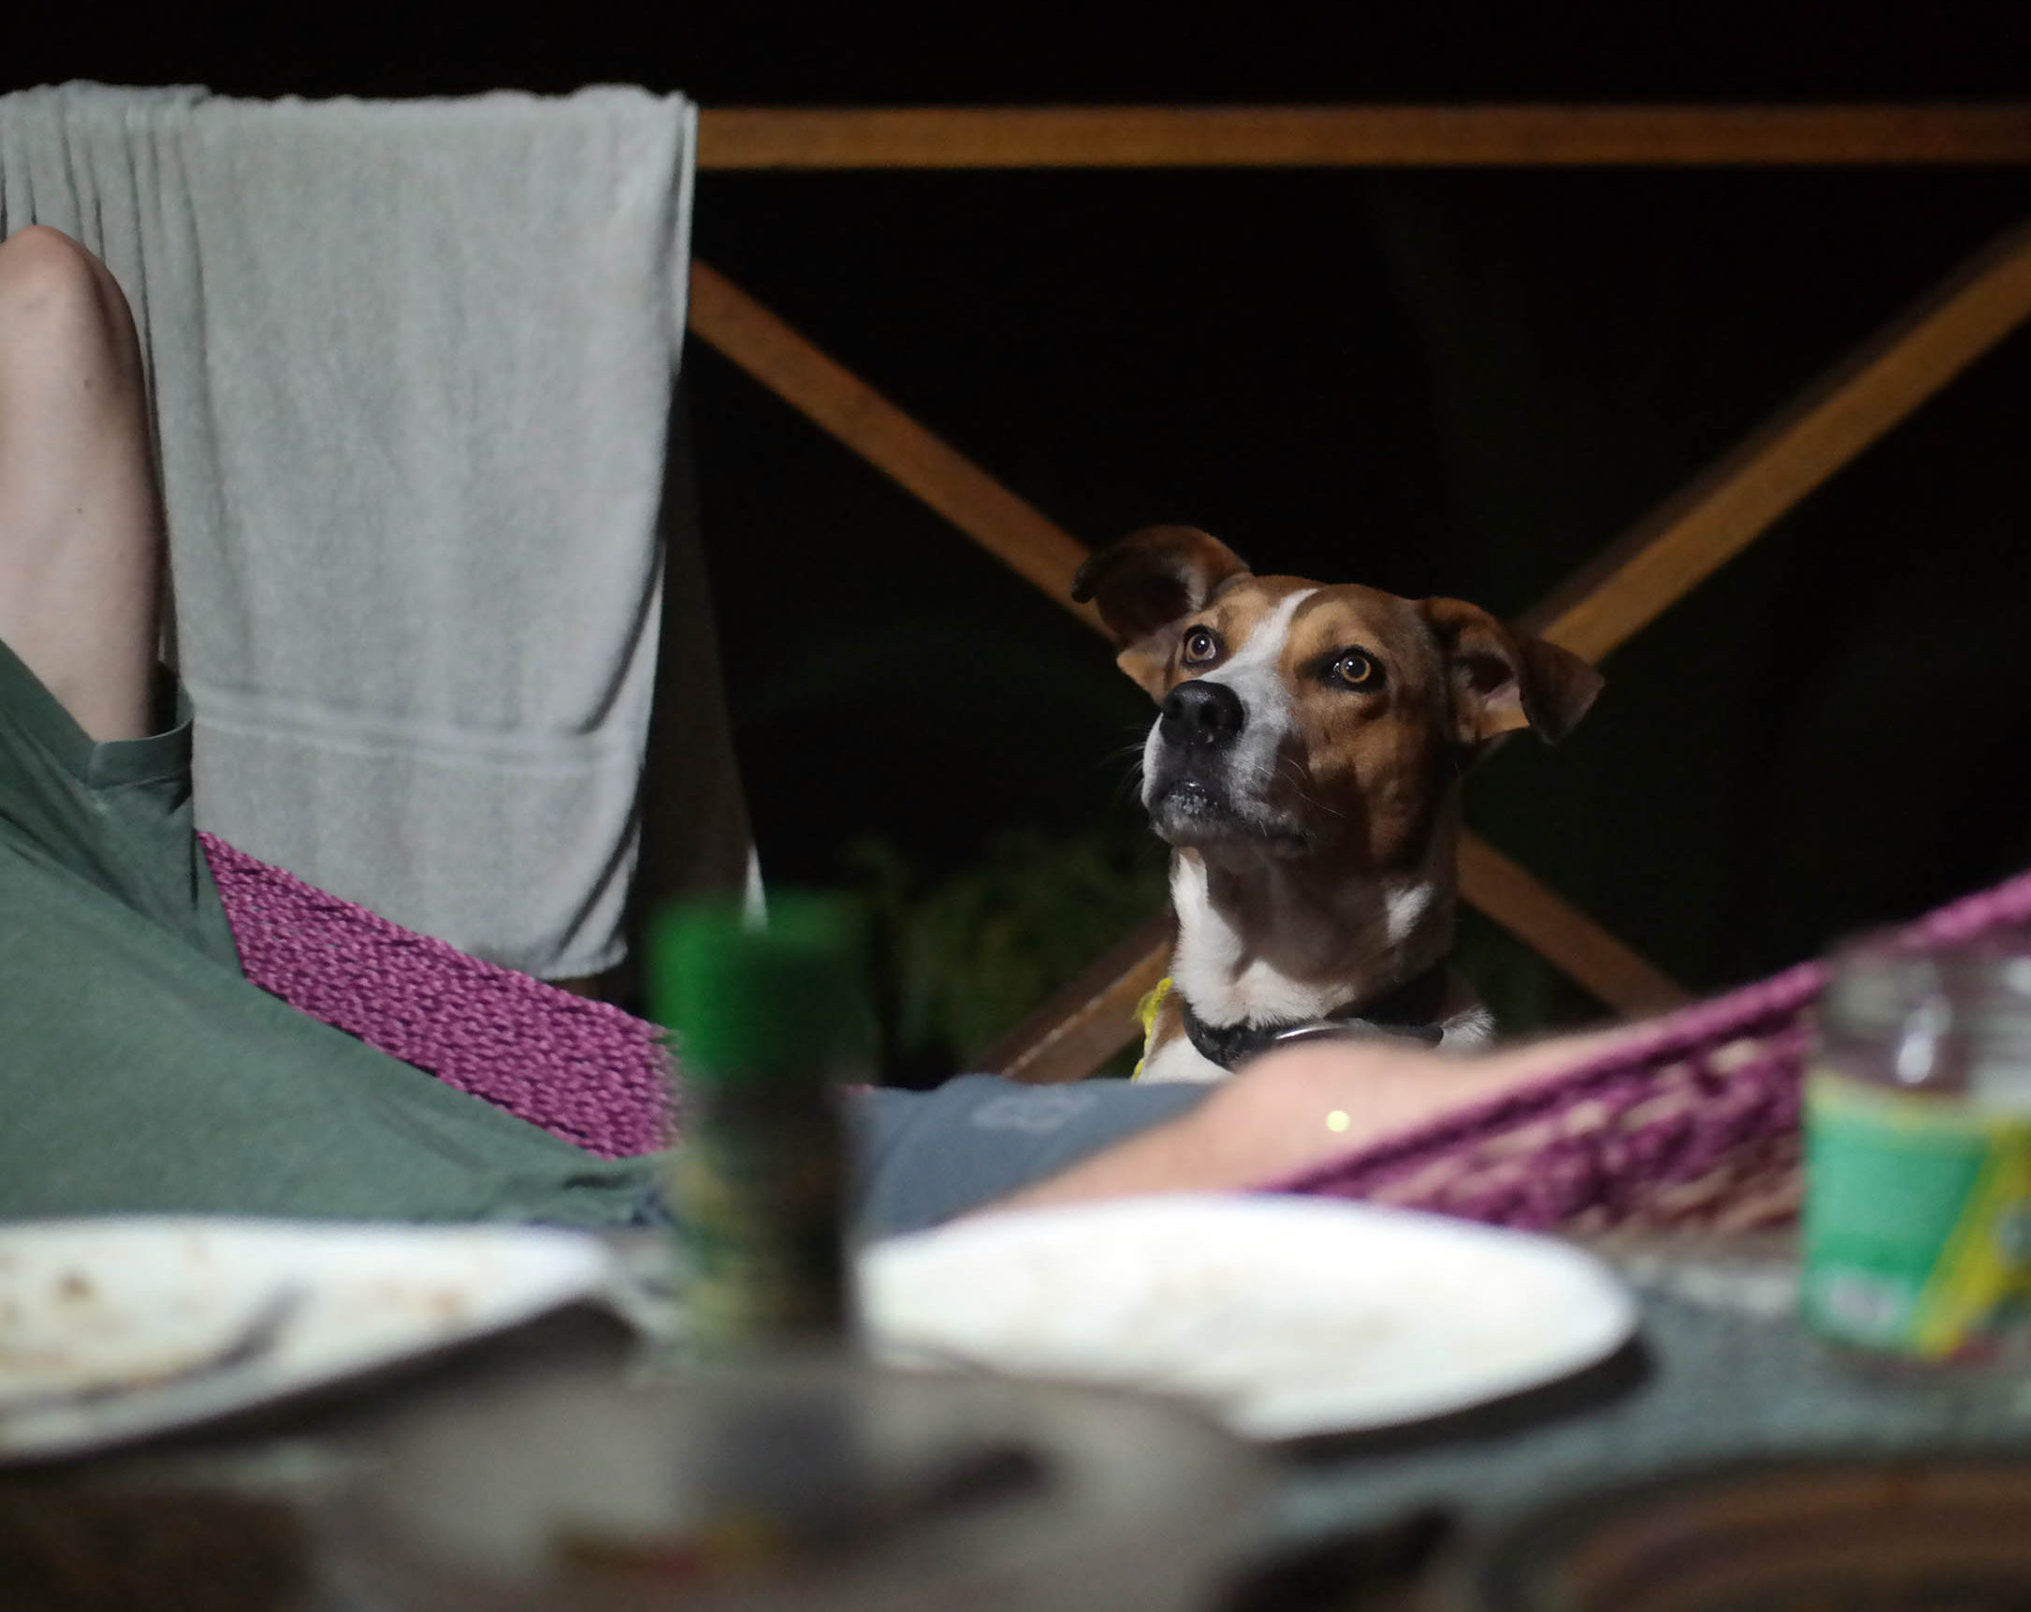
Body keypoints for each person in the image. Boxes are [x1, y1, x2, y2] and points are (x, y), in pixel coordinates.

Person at [0, 224, 1594, 1232]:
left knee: (1313, 1154)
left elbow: (42, 291)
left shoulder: (51, 802)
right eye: (1202, 659)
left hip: (717, 1180)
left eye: (1337, 676)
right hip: (480, 1256)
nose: (1209, 697)